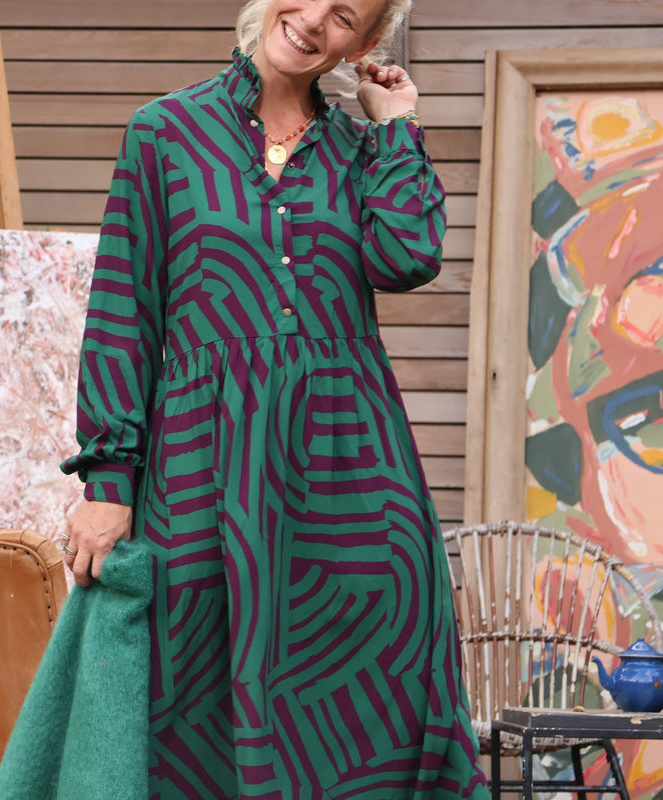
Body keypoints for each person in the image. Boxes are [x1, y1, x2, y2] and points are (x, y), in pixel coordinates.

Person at [60, 0, 491, 796]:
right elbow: (124, 311)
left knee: (373, 713)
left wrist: (396, 124)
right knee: (190, 706)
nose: (314, 19)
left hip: (353, 485)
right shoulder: (165, 133)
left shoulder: (361, 150)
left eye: (345, 16)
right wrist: (109, 482)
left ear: (364, 42)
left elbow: (406, 256)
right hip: (202, 471)